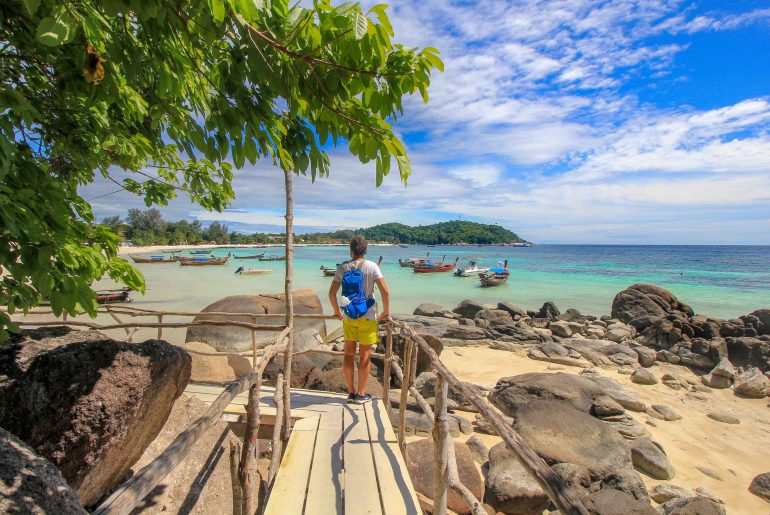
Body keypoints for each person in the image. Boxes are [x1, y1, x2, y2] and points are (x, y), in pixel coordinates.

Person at [328, 236, 390, 404]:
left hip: (349, 316)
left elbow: (331, 293)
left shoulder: (343, 267)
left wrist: (337, 311)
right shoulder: (372, 266)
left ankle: (351, 392)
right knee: (364, 355)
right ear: (365, 250)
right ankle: (361, 394)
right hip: (368, 316)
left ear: (351, 250)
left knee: (348, 353)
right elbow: (385, 292)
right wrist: (386, 311)